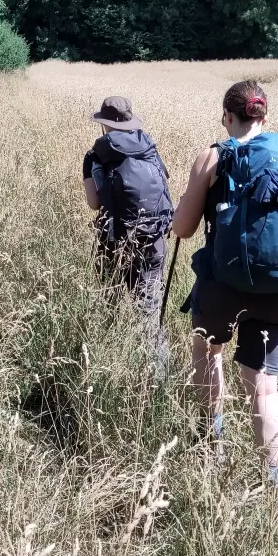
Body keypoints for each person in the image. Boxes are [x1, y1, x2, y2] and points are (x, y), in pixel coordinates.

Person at [172, 80, 278, 493]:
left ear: (226, 117)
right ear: (264, 117)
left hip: (222, 286)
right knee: (265, 388)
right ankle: (276, 492)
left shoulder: (213, 157)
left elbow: (183, 227)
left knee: (207, 351)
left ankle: (213, 441)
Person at [82, 96, 174, 383]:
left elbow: (94, 204)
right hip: (154, 239)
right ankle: (159, 380)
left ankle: (108, 368)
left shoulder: (95, 156)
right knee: (148, 313)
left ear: (104, 125)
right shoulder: (150, 148)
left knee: (108, 303)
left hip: (115, 240)